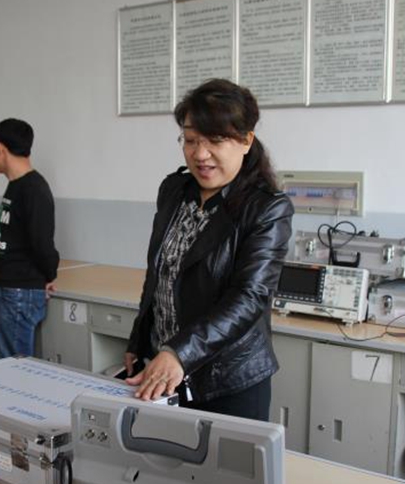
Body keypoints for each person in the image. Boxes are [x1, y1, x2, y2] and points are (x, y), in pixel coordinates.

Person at [124, 79, 294, 421]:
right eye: (190, 140)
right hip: (164, 372)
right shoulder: (174, 190)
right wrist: (139, 340)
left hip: (227, 381)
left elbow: (248, 297)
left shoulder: (266, 208)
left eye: (215, 140)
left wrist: (179, 353)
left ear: (246, 140)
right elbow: (159, 274)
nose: (200, 154)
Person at [0, 118, 59, 362]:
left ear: (0, 149)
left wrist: (48, 275)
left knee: (10, 368)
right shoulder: (16, 185)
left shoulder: (34, 189)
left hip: (17, 292)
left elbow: (42, 244)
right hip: (5, 286)